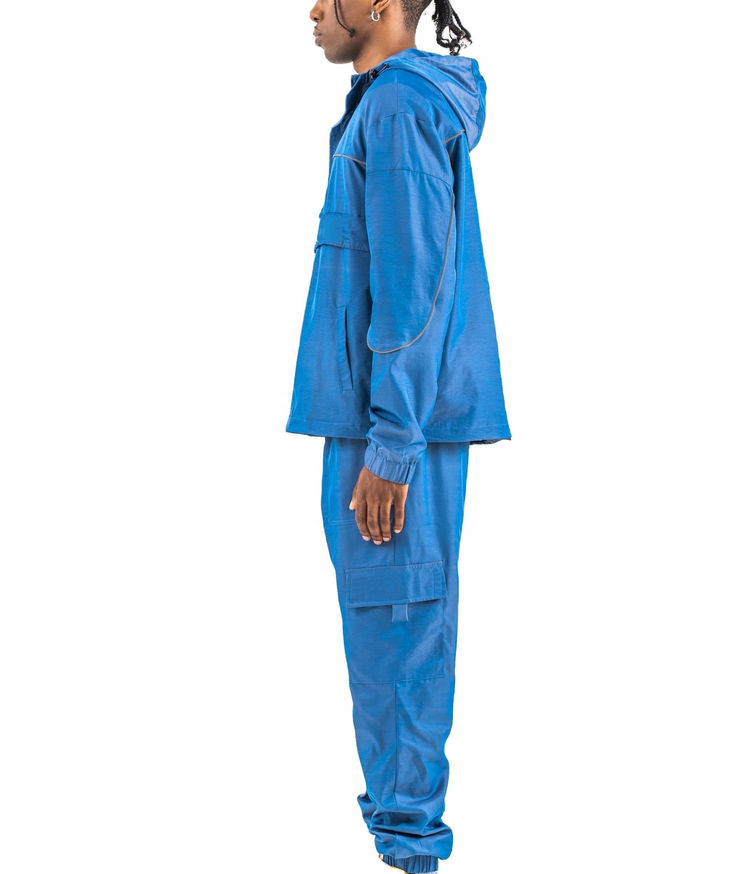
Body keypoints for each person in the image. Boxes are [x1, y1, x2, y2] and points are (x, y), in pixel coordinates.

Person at [286, 2, 511, 871]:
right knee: (385, 640)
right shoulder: (385, 103)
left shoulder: (398, 108)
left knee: (400, 635)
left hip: (394, 429)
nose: (312, 10)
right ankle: (399, 831)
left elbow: (413, 288)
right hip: (378, 419)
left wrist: (392, 446)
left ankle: (411, 847)